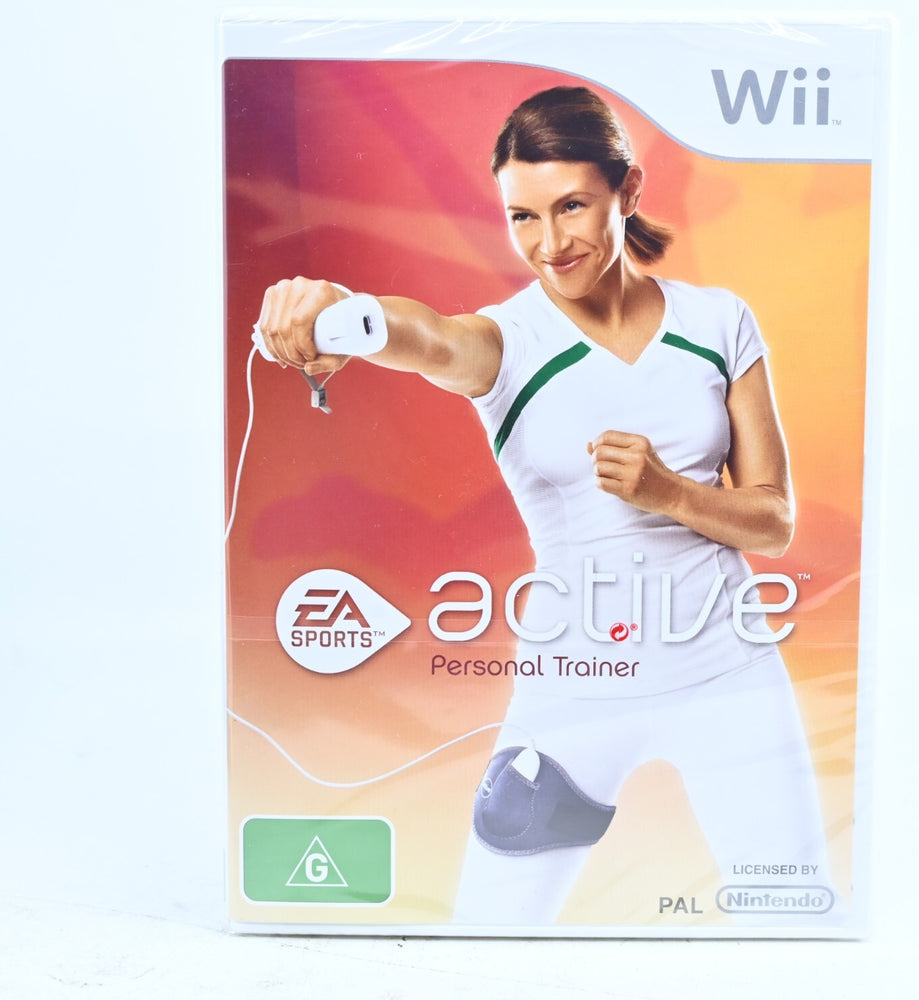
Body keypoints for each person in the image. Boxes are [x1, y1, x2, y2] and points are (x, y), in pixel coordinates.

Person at [257, 86, 833, 925]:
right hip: (573, 690)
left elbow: (775, 521)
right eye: (522, 217)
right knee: (489, 935)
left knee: (797, 917)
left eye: (571, 206)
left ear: (627, 191)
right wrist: (341, 310)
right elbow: (428, 336)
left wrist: (668, 492)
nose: (549, 244)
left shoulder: (719, 322)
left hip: (731, 677)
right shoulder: (509, 342)